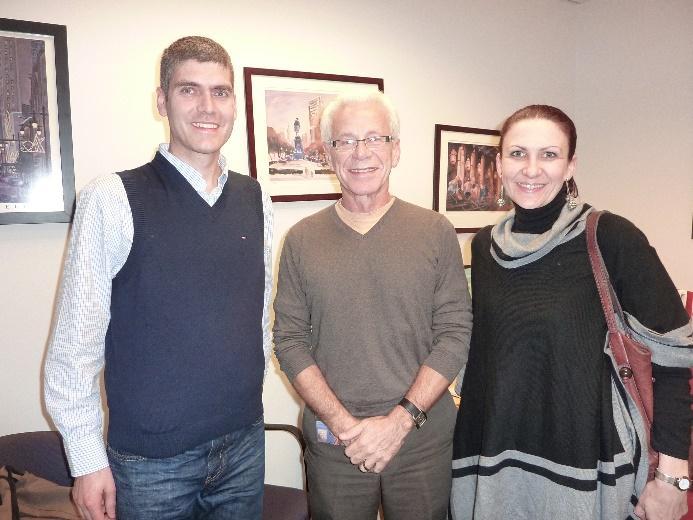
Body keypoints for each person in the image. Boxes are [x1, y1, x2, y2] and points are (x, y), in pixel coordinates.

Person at [44, 36, 273, 520]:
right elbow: (73, 349)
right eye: (189, 90)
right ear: (161, 100)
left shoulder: (257, 200)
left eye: (221, 91)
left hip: (245, 445)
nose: (208, 107)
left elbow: (257, 320)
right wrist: (87, 462)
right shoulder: (112, 198)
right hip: (151, 466)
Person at [451, 104, 692, 520]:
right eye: (517, 153)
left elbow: (674, 359)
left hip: (586, 463)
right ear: (499, 163)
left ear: (570, 166)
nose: (531, 169)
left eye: (549, 155)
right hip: (497, 458)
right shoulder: (484, 248)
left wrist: (672, 475)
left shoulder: (610, 236)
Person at [273, 91, 472, 520]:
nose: (360, 153)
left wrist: (400, 421)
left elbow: (455, 333)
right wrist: (347, 428)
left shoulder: (435, 231)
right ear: (328, 153)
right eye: (345, 141)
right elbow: (288, 341)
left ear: (395, 149)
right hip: (335, 446)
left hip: (421, 441)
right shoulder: (302, 240)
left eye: (374, 138)